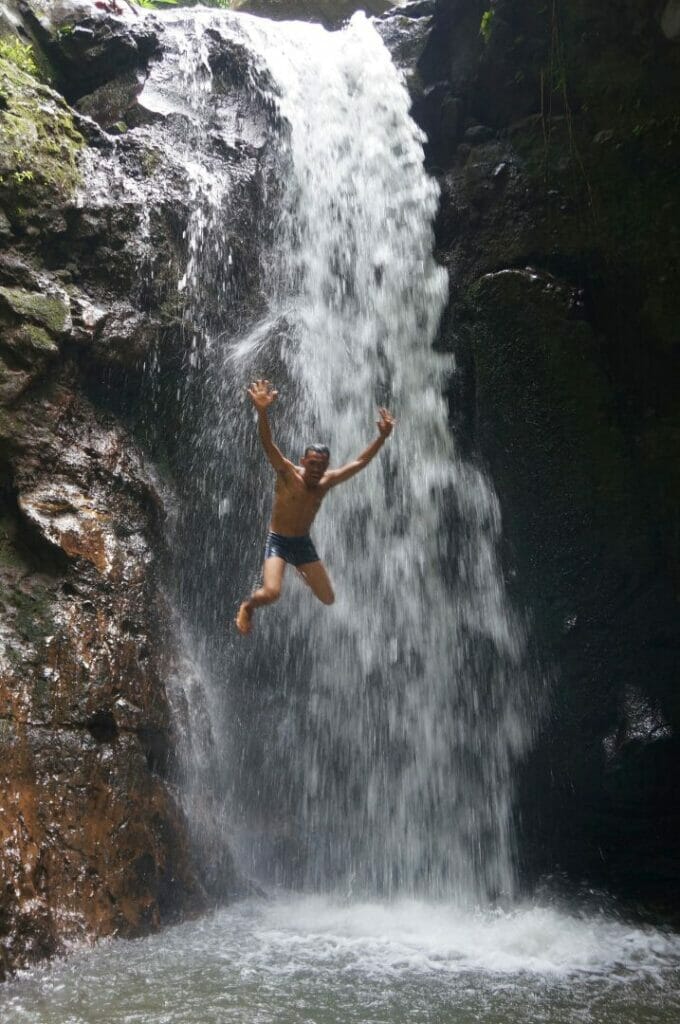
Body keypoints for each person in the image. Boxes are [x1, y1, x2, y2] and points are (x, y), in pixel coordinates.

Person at [235, 379, 395, 635]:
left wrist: (382, 438)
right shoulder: (288, 474)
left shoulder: (326, 482)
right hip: (278, 541)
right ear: (303, 462)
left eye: (322, 466)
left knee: (328, 598)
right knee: (272, 592)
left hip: (302, 543)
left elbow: (359, 462)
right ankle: (248, 606)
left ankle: (301, 569)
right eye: (312, 464)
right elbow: (268, 445)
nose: (317, 470)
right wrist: (262, 411)